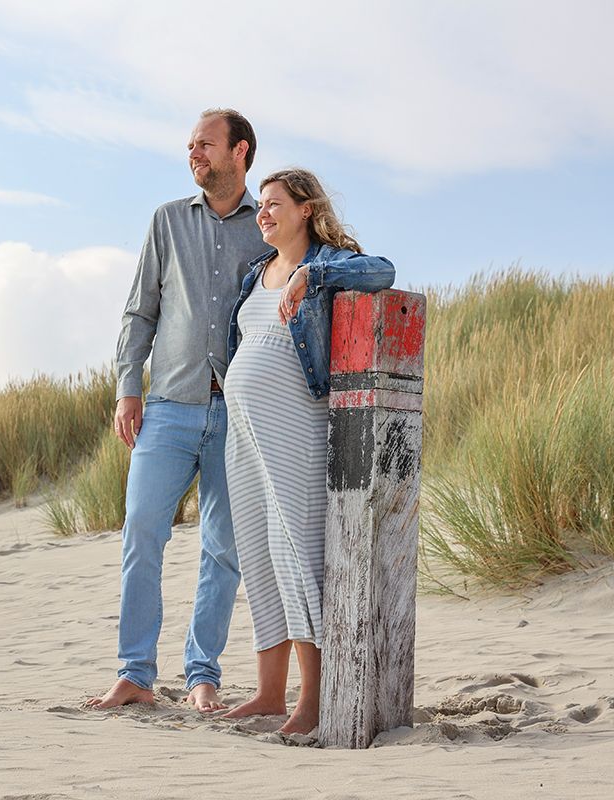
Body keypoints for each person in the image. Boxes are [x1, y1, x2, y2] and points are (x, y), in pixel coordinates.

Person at [87, 109, 265, 712]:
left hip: (236, 413)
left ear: (240, 151)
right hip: (166, 406)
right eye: (190, 146)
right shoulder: (167, 220)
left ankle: (201, 675)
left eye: (206, 145)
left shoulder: (267, 228)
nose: (194, 155)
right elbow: (140, 312)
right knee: (142, 530)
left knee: (224, 546)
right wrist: (125, 387)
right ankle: (135, 673)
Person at [220, 168, 394, 733]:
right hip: (245, 431)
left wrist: (310, 276)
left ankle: (312, 699)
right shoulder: (255, 274)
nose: (263, 213)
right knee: (258, 553)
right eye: (260, 205)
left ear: (306, 210)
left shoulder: (328, 262)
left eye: (274, 204)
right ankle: (270, 693)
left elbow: (382, 271)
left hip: (295, 427)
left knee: (295, 551)